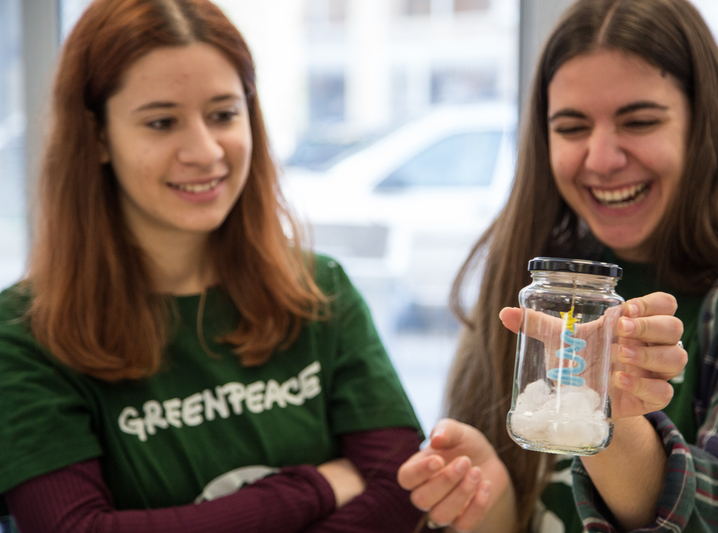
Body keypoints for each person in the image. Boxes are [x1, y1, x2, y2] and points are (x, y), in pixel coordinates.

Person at [0, 0, 425, 531]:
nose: (204, 151)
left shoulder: (320, 290)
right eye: (161, 122)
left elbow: (405, 486)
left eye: (223, 114)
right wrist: (314, 487)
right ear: (98, 137)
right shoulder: (24, 335)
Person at [397, 0, 718, 531]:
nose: (602, 158)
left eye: (639, 121)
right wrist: (487, 506)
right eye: (571, 128)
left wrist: (611, 415)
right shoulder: (535, 273)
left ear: (704, 125)